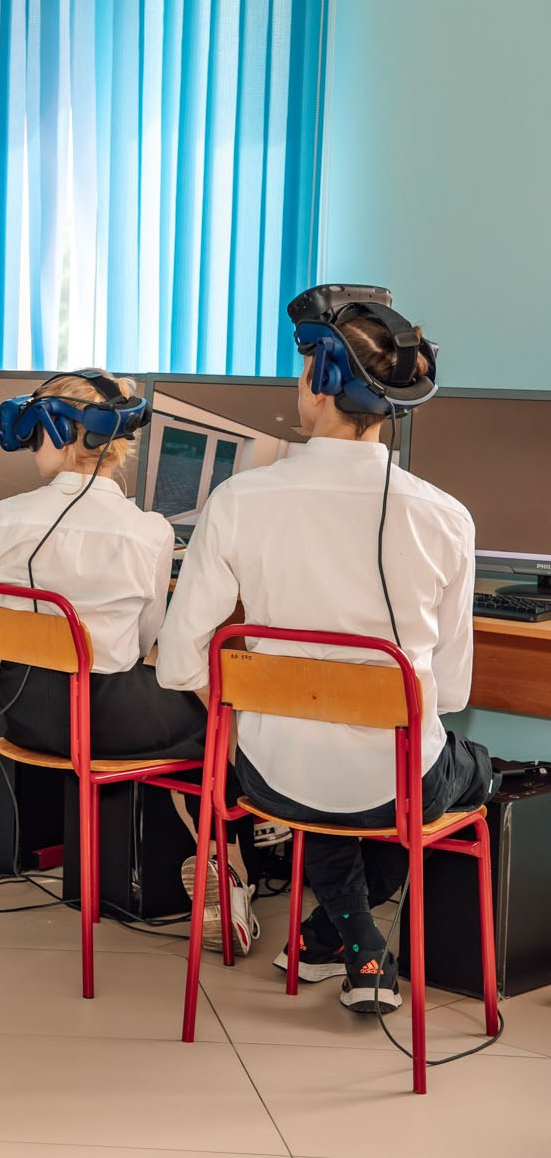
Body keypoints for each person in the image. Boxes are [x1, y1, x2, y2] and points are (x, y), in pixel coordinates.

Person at [157, 286, 493, 1015]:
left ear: (320, 378)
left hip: (271, 780)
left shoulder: (238, 501)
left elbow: (179, 662)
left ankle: (335, 938)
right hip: (397, 786)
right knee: (472, 768)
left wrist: (250, 720)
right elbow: (452, 693)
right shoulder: (447, 517)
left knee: (323, 783)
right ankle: (350, 941)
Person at [0, 371, 244, 942]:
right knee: (219, 718)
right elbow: (146, 646)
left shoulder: (3, 518)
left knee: (177, 701)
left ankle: (208, 868)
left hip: (24, 716)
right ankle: (229, 868)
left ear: (63, 433)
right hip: (106, 722)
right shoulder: (148, 531)